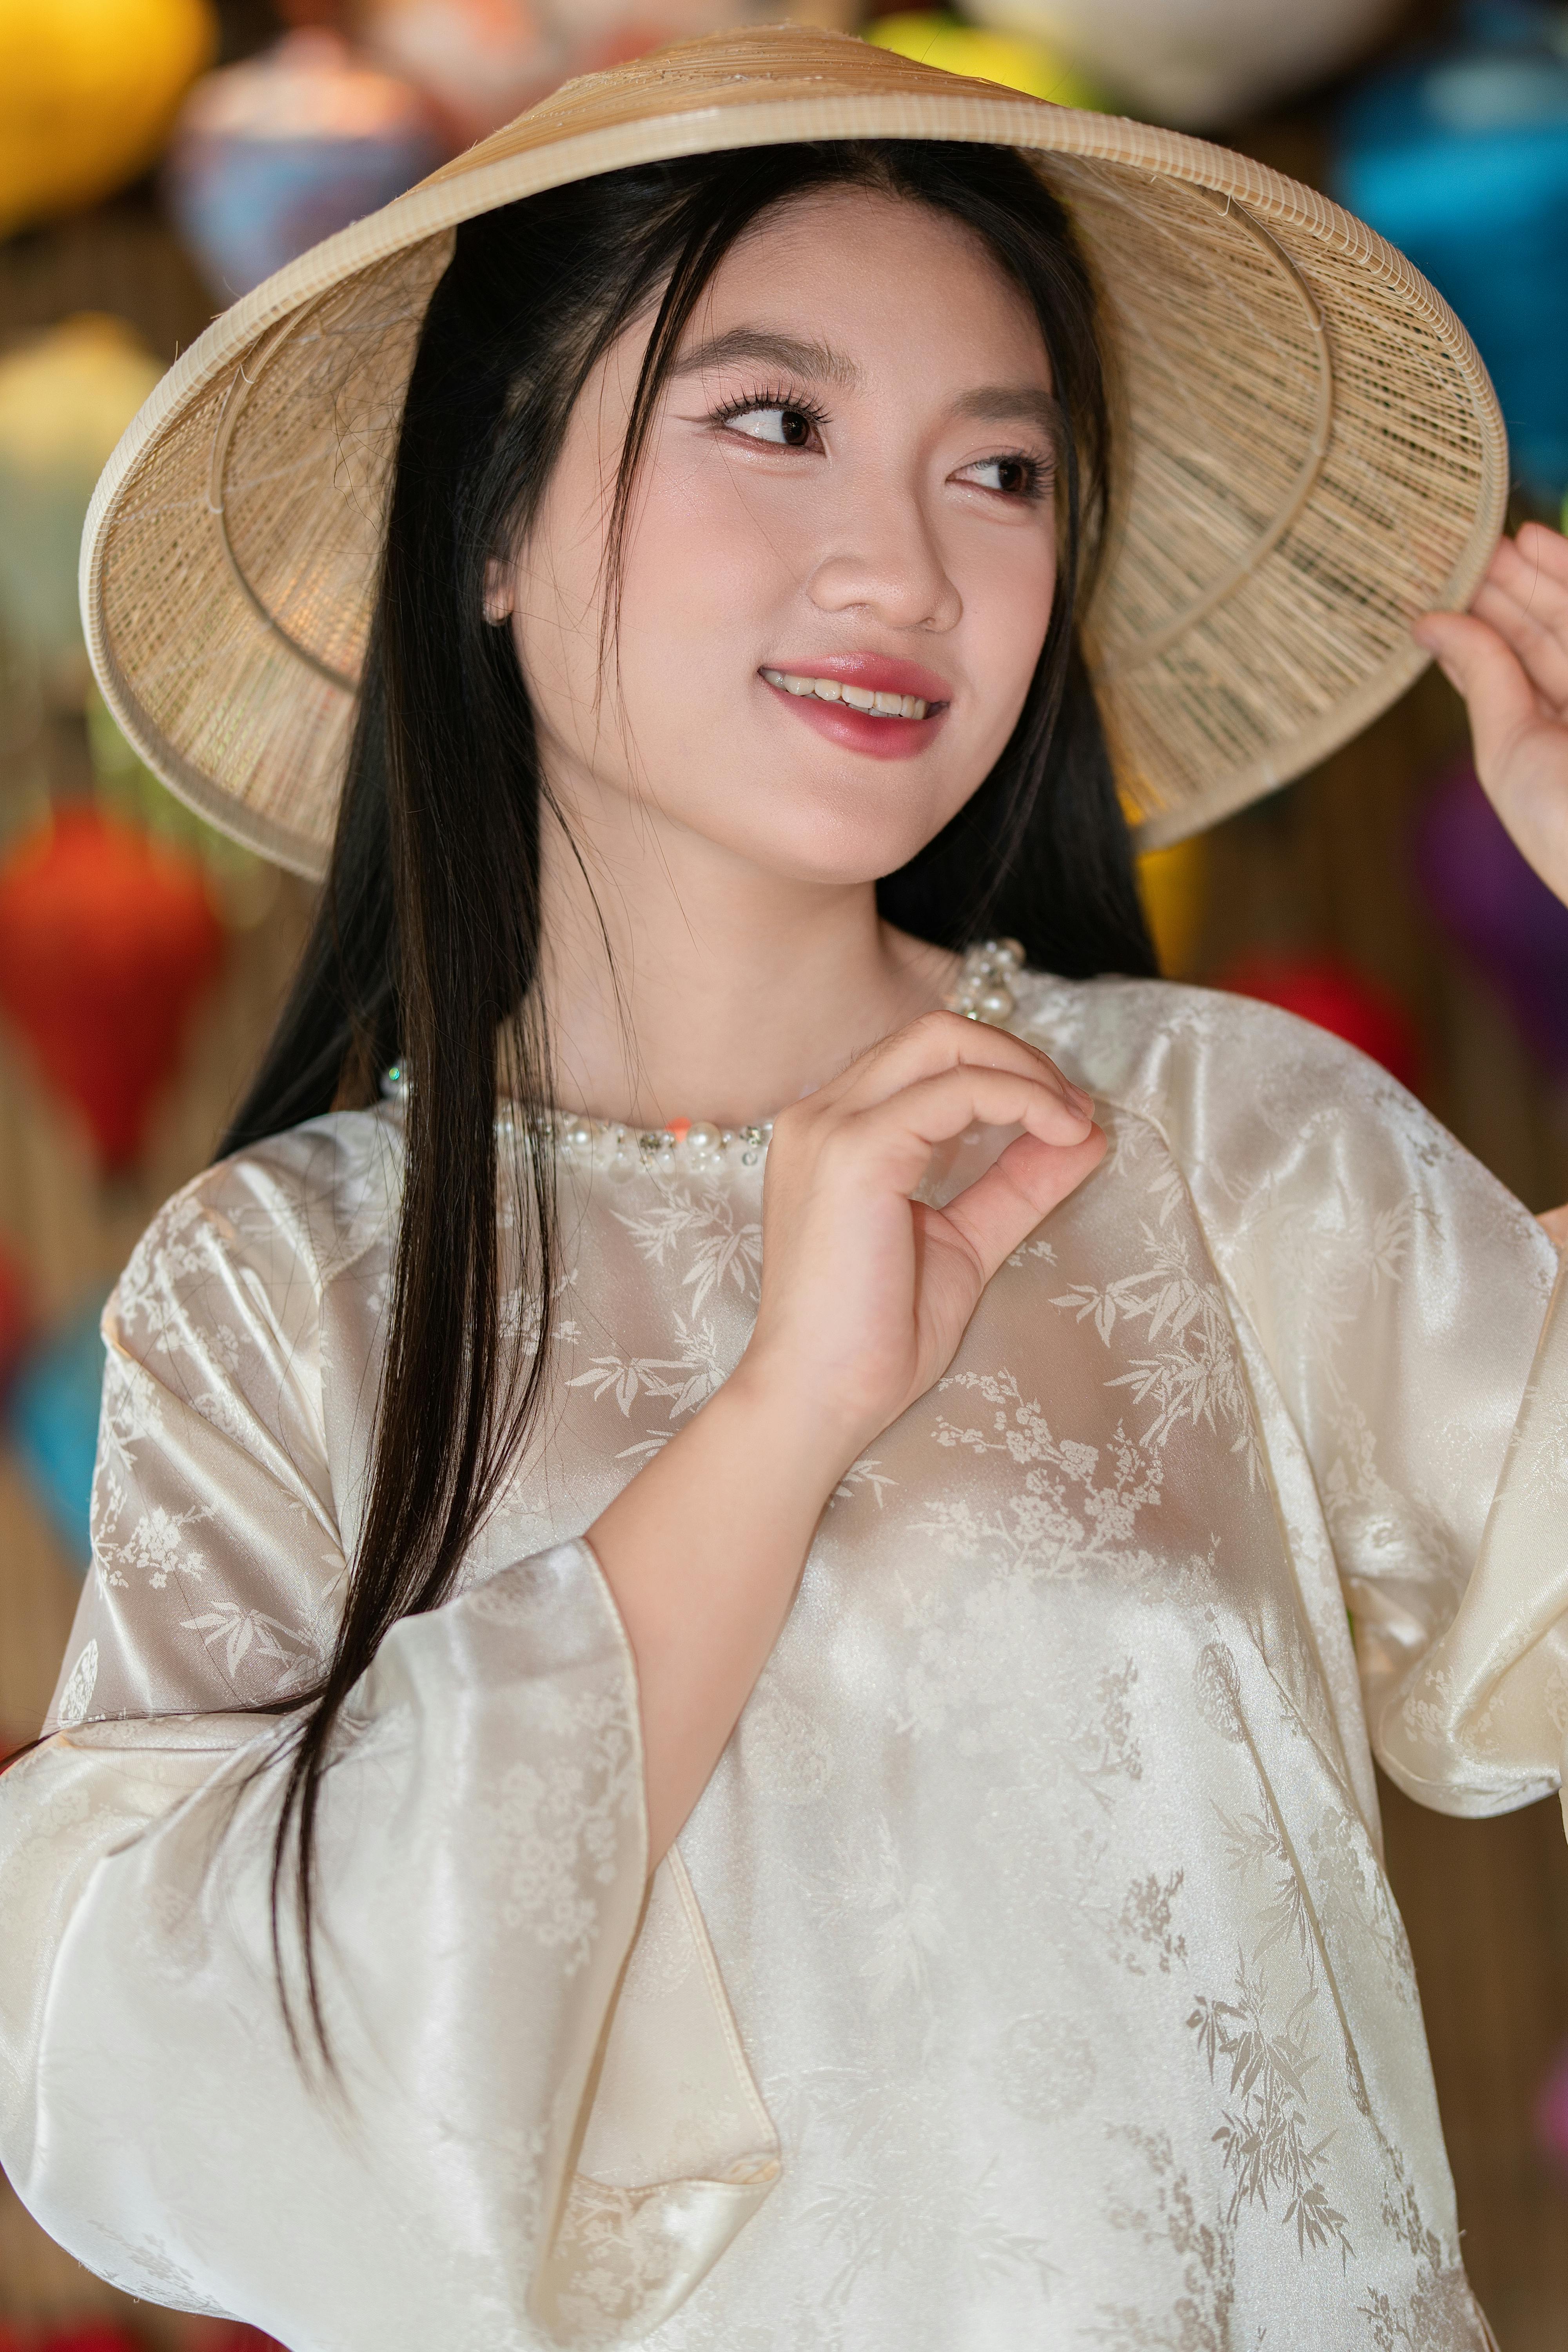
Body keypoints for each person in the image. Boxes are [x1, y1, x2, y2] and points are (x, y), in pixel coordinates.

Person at [4, 27, 1568, 2351]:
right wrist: (777, 1420)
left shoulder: (1231, 1149)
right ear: (495, 525)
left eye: (1005, 470)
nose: (909, 569)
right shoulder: (282, 1290)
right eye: (778, 421)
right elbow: (162, 2092)